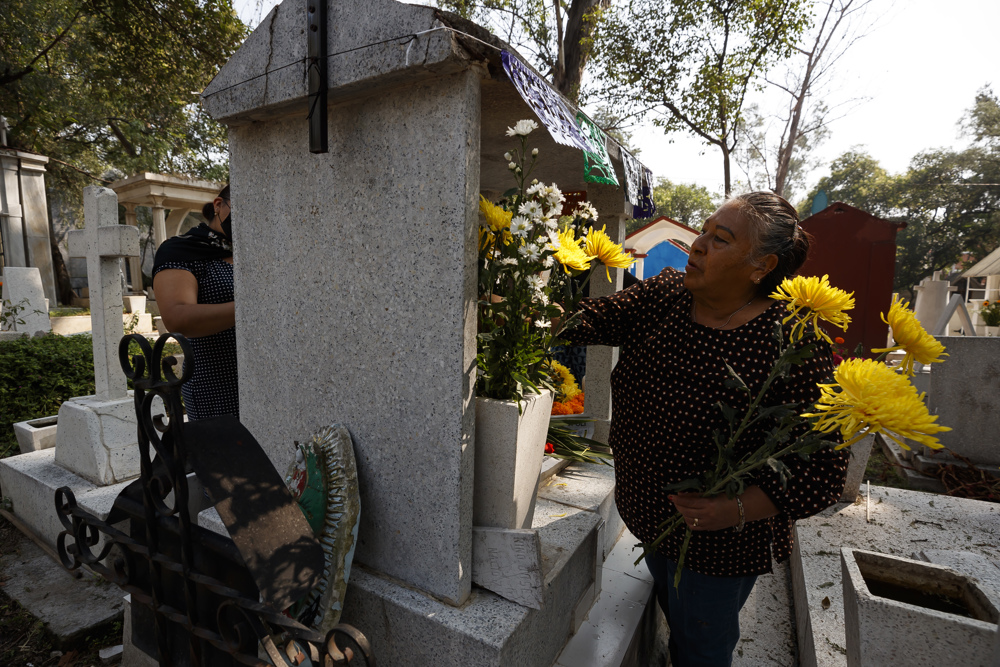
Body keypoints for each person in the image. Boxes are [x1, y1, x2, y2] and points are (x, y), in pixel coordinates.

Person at [565, 192, 848, 667]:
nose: (697, 245)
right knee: (675, 613)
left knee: (701, 647)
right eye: (704, 230)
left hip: (720, 546)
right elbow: (590, 320)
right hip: (650, 516)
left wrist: (733, 508)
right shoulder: (668, 295)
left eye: (720, 239)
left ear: (762, 266)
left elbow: (822, 470)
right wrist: (510, 303)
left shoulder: (792, 343)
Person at [152, 185, 239, 421]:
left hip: (272, 378)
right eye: (242, 209)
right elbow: (178, 318)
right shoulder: (181, 251)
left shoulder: (259, 250)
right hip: (217, 388)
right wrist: (253, 308)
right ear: (219, 205)